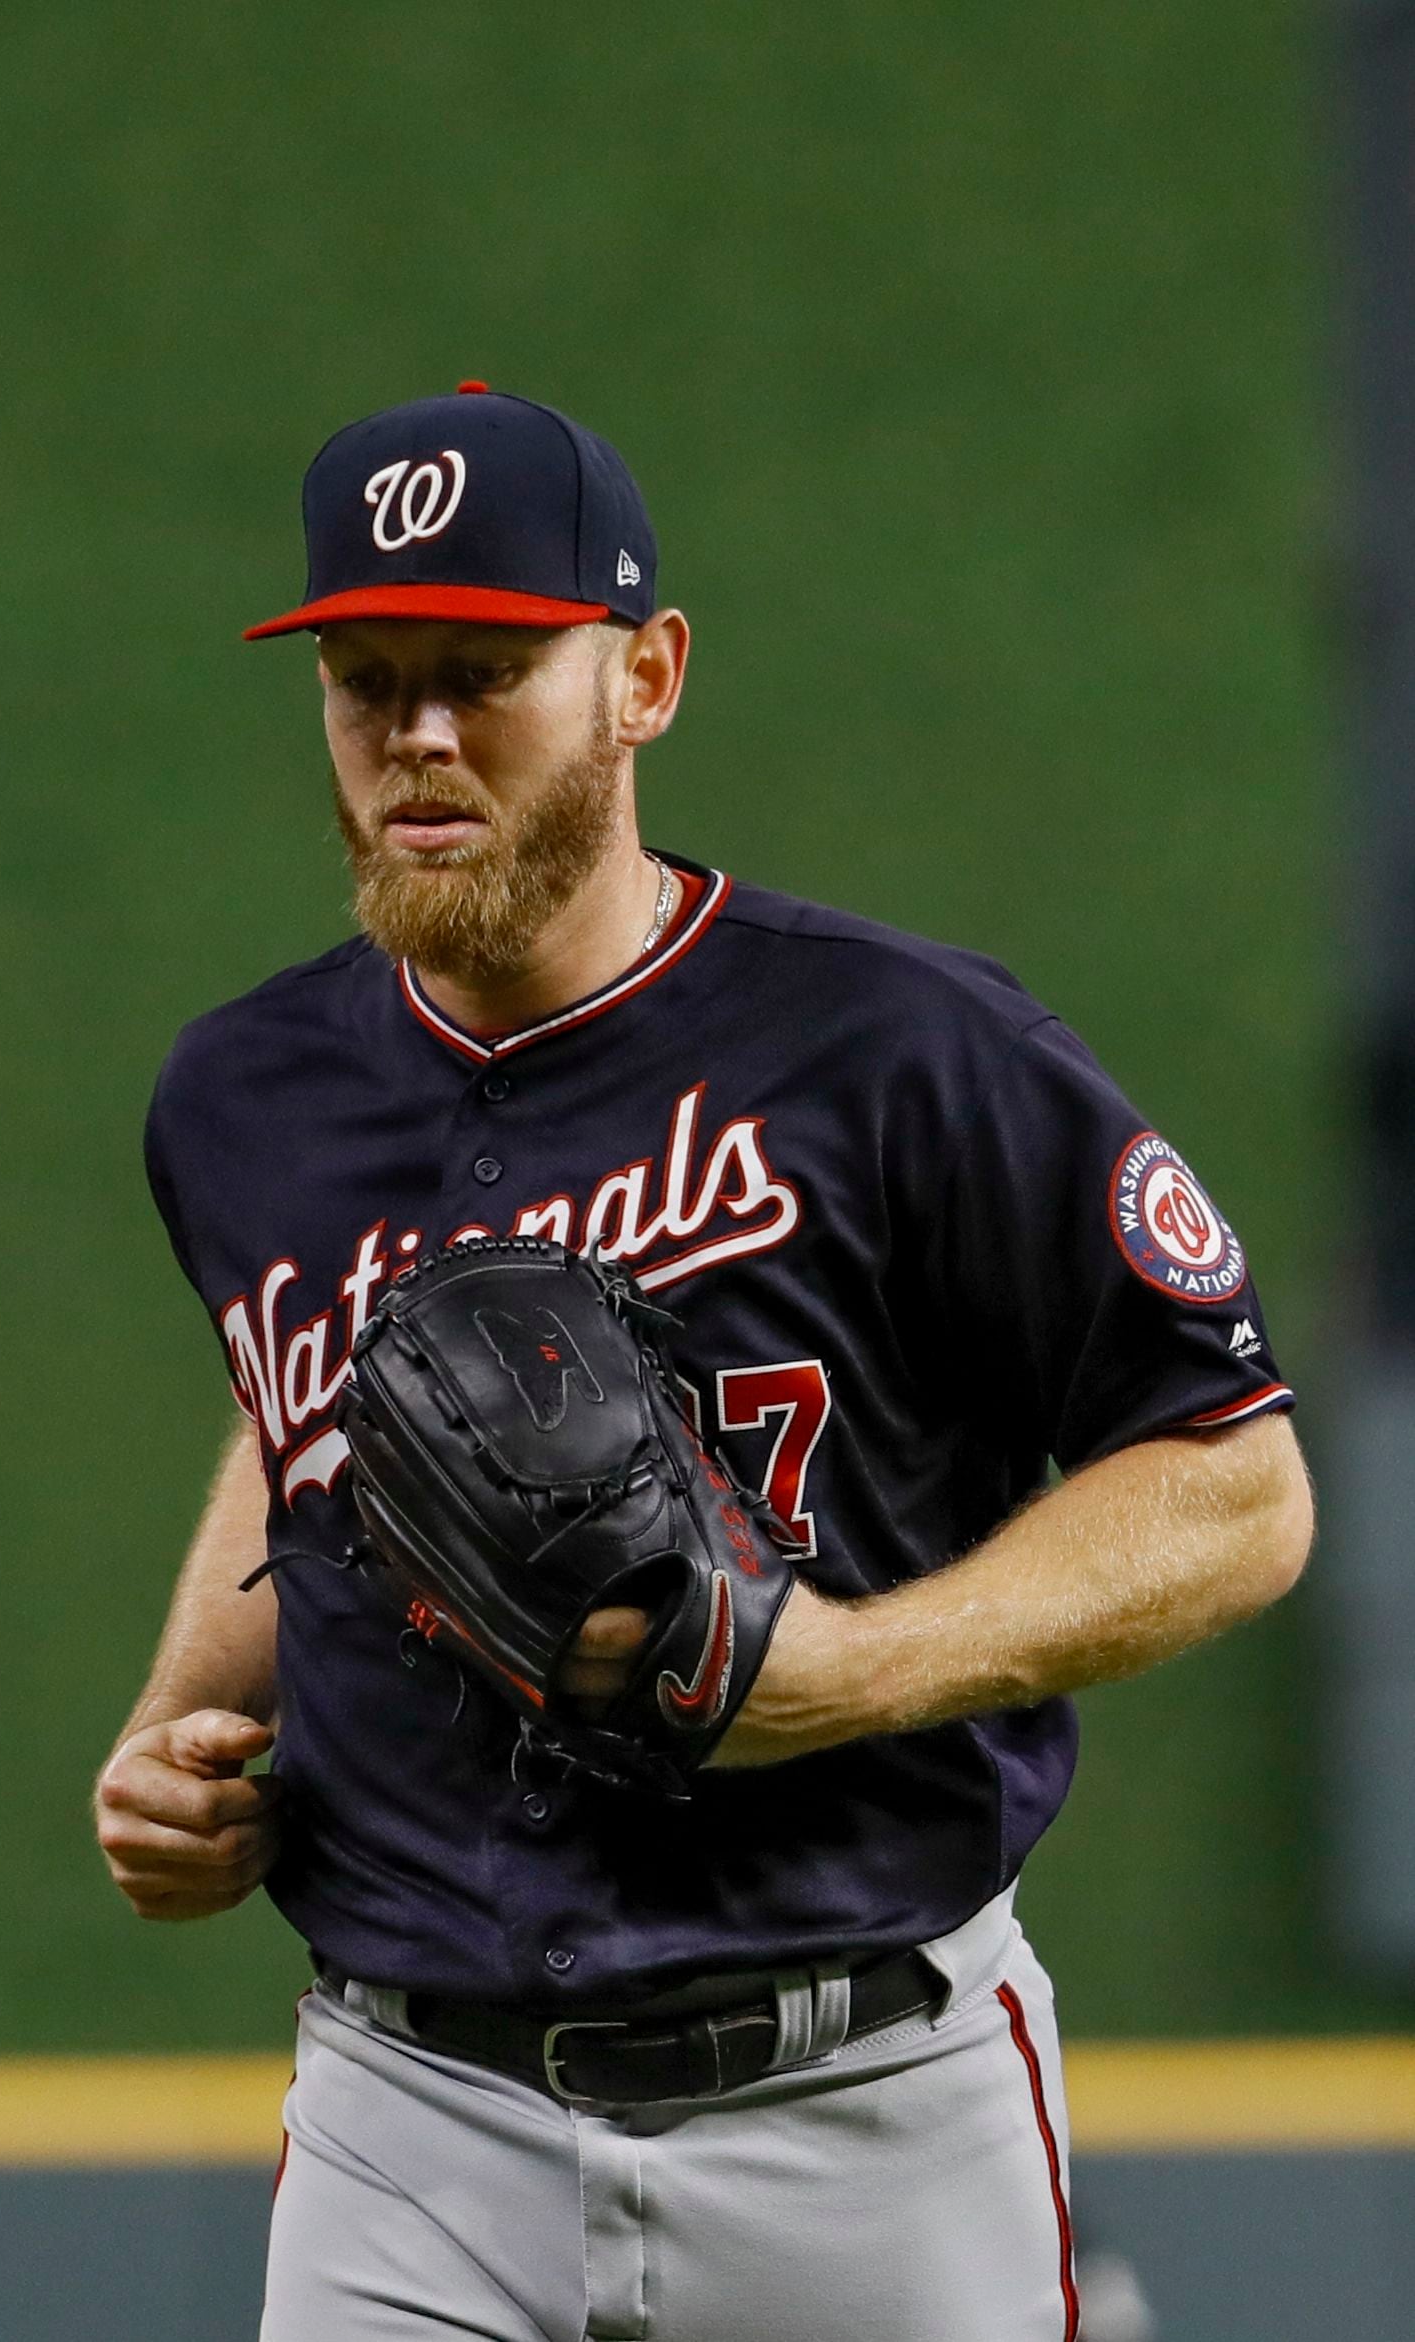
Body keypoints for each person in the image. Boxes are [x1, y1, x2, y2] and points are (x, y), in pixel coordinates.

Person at [95, 382, 1314, 2341]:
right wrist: (176, 1726)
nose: (416, 730)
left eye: (487, 669)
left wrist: (851, 1671)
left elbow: (1240, 1487)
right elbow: (307, 1417)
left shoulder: (907, 1052)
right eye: (367, 675)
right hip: (414, 2117)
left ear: (645, 677)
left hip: (865, 2103)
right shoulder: (242, 1096)